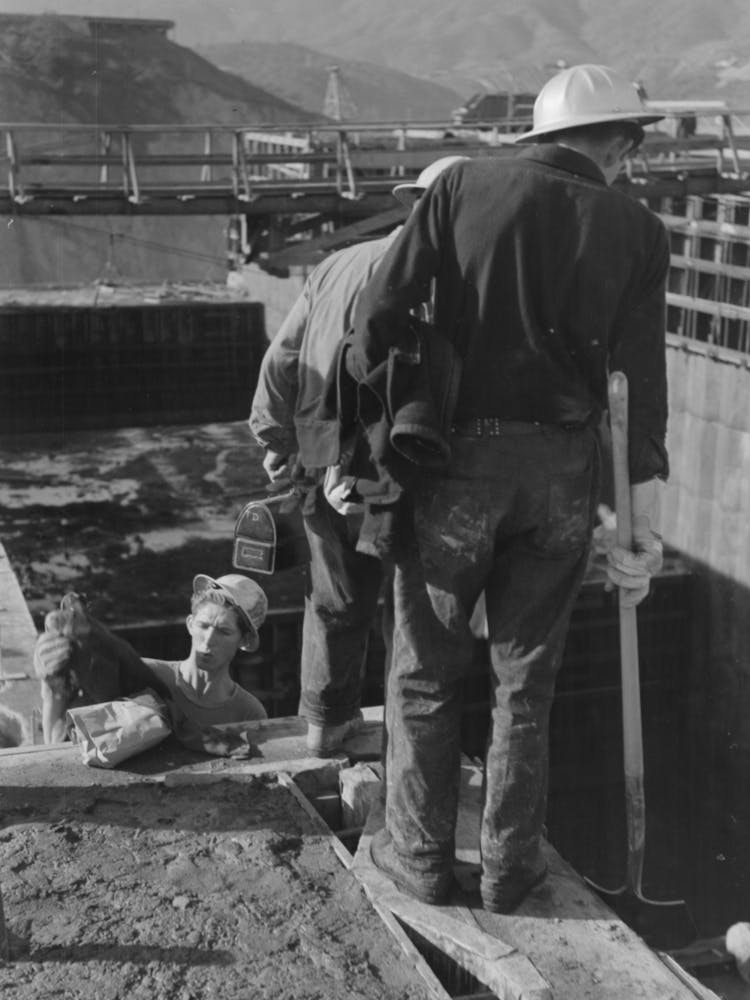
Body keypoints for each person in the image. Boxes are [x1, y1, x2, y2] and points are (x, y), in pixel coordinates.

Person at [346, 64, 670, 912]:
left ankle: (420, 858)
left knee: (426, 672)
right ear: (619, 144)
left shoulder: (460, 187)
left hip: (459, 462)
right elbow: (641, 388)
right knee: (526, 683)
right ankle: (509, 870)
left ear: (541, 132)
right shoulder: (640, 230)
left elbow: (377, 315)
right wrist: (639, 526)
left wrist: (399, 414)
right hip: (564, 472)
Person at [249, 155, 469, 756]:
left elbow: (282, 358)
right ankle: (407, 742)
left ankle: (324, 728)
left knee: (335, 600)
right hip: (402, 465)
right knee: (413, 606)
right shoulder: (445, 281)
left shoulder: (338, 263)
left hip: (320, 453)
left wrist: (275, 440)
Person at [33, 573, 268, 744]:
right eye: (203, 626)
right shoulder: (142, 675)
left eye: (224, 632)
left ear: (244, 640)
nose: (208, 640)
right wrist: (52, 687)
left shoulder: (248, 712)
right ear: (190, 624)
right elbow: (58, 741)